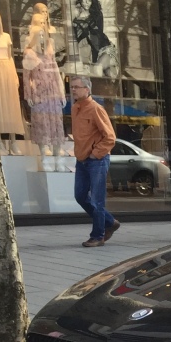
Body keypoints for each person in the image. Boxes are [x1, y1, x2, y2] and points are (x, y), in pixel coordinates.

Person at [70, 76, 119, 247]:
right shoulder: (75, 108)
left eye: (77, 87)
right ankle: (110, 222)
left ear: (87, 89)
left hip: (96, 160)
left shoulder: (96, 109)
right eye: (72, 87)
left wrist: (95, 154)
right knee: (80, 196)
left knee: (97, 199)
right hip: (81, 160)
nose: (74, 90)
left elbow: (110, 137)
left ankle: (98, 236)